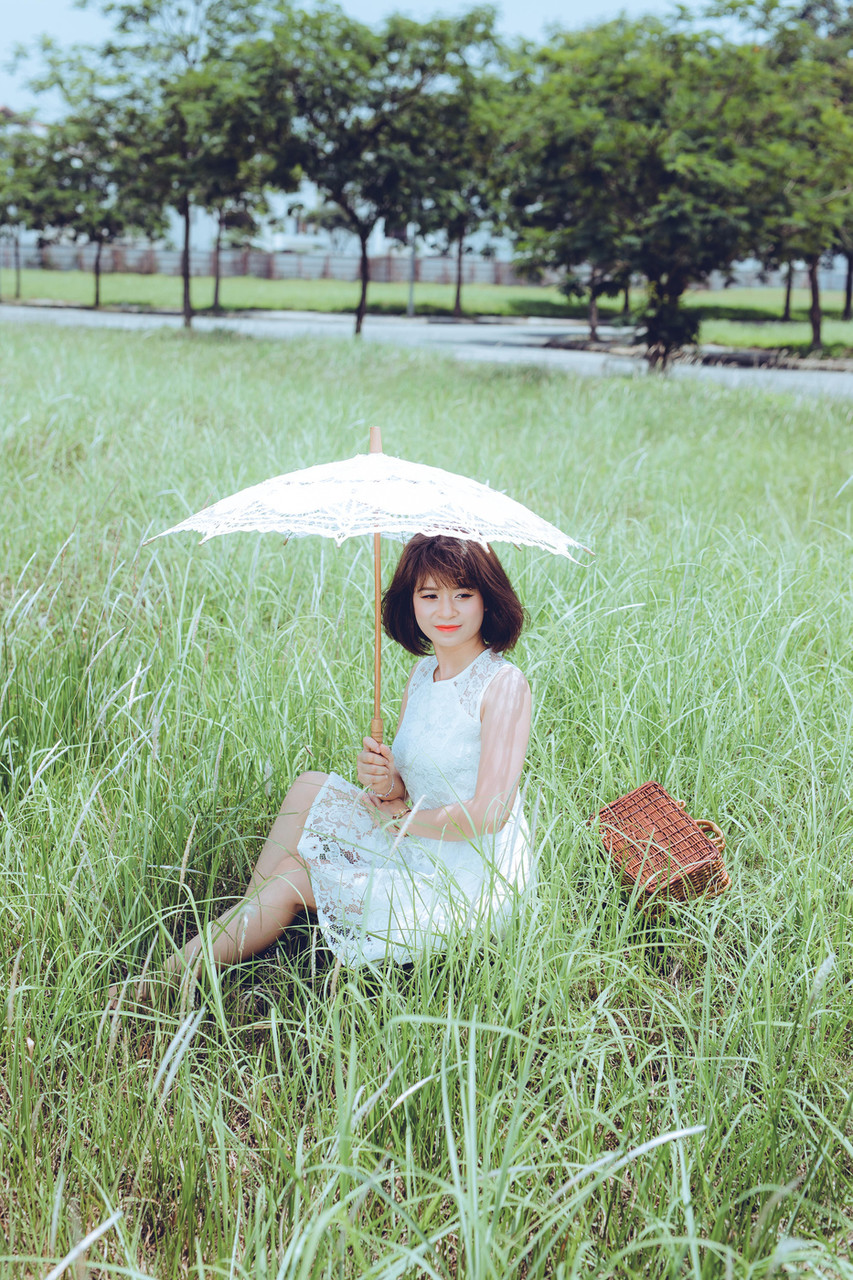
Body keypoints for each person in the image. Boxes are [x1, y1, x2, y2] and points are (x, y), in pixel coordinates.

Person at [117, 534, 533, 1000]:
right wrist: (389, 780)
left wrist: (403, 818)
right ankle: (251, 917)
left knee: (295, 875)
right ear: (411, 602)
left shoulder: (504, 685)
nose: (446, 611)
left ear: (487, 598)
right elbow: (405, 788)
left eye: (463, 594)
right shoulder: (421, 676)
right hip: (419, 836)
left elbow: (490, 813)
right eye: (429, 595)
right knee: (309, 787)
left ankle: (155, 986)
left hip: (466, 881)